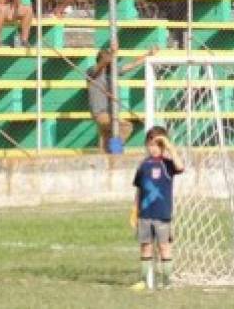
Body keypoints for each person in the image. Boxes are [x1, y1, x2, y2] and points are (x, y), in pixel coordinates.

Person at [130, 129, 185, 290]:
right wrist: (134, 210)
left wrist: (170, 148)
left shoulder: (168, 165)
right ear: (146, 145)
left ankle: (167, 281)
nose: (154, 148)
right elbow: (139, 190)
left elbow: (181, 167)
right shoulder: (143, 166)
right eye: (151, 144)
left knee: (164, 247)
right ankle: (144, 280)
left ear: (163, 146)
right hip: (145, 215)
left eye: (158, 144)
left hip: (162, 215)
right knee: (145, 246)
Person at [87, 47, 152, 152]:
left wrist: (148, 54)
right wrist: (112, 53)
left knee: (104, 141)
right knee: (125, 126)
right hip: (101, 113)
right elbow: (102, 64)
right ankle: (115, 150)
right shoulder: (92, 72)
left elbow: (131, 66)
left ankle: (108, 157)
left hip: (111, 113)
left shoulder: (112, 72)